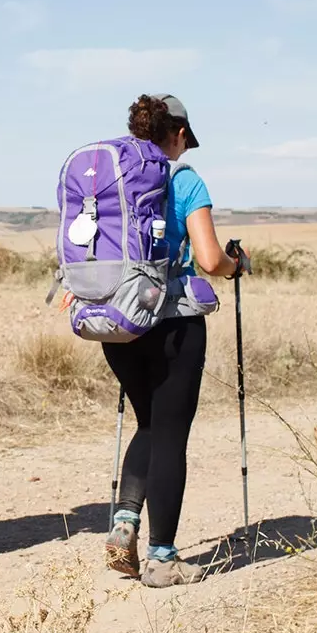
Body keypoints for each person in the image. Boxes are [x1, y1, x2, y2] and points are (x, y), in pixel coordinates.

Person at [102, 94, 248, 588]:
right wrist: (236, 265)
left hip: (118, 321)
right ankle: (162, 560)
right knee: (170, 434)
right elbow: (209, 259)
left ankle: (124, 524)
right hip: (172, 324)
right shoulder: (184, 179)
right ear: (180, 134)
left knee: (148, 422)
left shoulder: (115, 179)